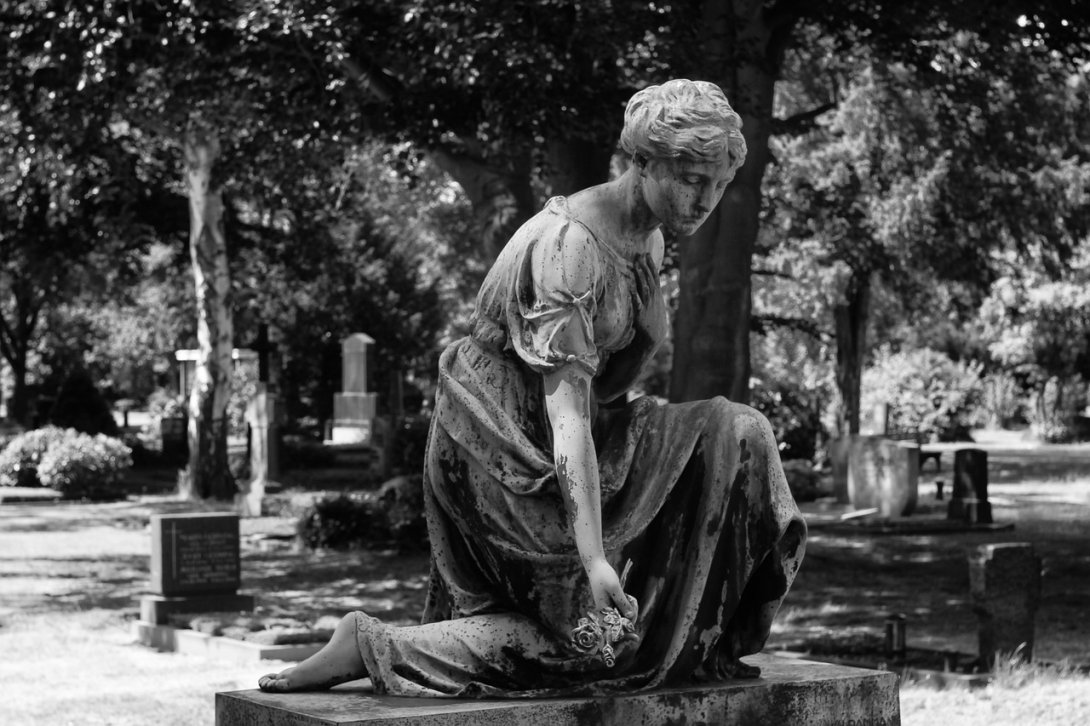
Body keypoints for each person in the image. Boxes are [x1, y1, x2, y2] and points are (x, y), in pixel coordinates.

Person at [259, 79, 806, 697]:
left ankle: (705, 635)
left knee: (738, 431)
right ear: (642, 162)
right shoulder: (570, 248)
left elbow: (605, 394)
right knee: (589, 643)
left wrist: (649, 337)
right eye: (690, 178)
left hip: (578, 434)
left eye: (718, 182)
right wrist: (595, 556)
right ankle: (369, 644)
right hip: (502, 450)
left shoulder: (648, 240)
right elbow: (566, 411)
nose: (705, 198)